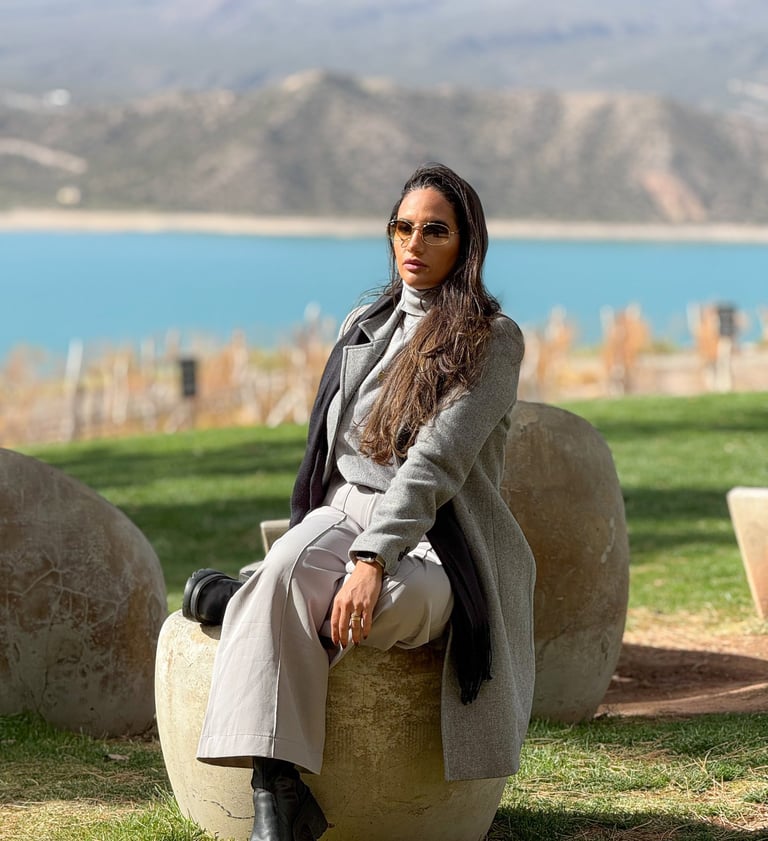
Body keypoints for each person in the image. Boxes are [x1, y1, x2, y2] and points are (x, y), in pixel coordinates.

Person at [181, 162, 536, 841]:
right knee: (290, 577)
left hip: (440, 537)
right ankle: (276, 794)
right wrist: (348, 542)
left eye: (435, 230)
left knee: (364, 605)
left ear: (467, 243)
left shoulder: (493, 340)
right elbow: (332, 441)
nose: (414, 243)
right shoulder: (363, 323)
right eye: (403, 227)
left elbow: (435, 462)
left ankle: (243, 601)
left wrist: (372, 561)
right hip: (343, 510)